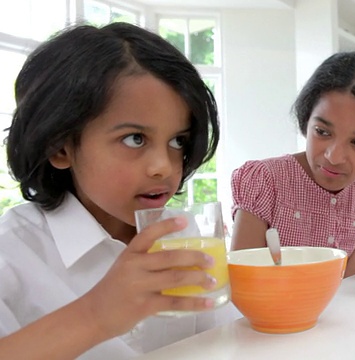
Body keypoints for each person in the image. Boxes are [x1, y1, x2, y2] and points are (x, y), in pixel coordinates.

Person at [0, 22, 240, 359]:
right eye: (135, 139)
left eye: (177, 141)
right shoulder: (12, 255)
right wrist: (95, 315)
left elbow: (228, 341)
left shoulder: (181, 235)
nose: (164, 166)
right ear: (60, 147)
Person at [230, 51, 355, 277]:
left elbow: (347, 287)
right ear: (306, 122)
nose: (334, 157)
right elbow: (242, 281)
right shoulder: (264, 182)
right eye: (323, 132)